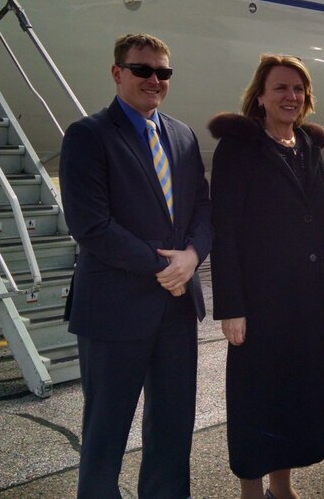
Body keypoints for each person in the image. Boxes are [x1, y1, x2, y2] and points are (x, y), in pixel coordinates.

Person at [59, 33, 212, 498]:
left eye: (163, 72)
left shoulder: (182, 135)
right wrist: (161, 265)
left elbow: (203, 210)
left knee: (172, 430)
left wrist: (191, 257)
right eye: (143, 69)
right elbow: (91, 225)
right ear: (117, 73)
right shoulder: (88, 135)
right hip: (114, 309)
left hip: (177, 308)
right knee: (106, 433)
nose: (154, 80)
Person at [208, 55, 324, 499]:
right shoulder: (239, 147)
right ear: (261, 96)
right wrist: (231, 306)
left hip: (305, 298)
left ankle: (282, 485)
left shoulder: (306, 144)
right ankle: (251, 487)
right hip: (258, 299)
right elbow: (224, 230)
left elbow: (321, 225)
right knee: (255, 397)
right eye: (281, 88)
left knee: (294, 396)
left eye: (298, 89)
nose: (291, 97)